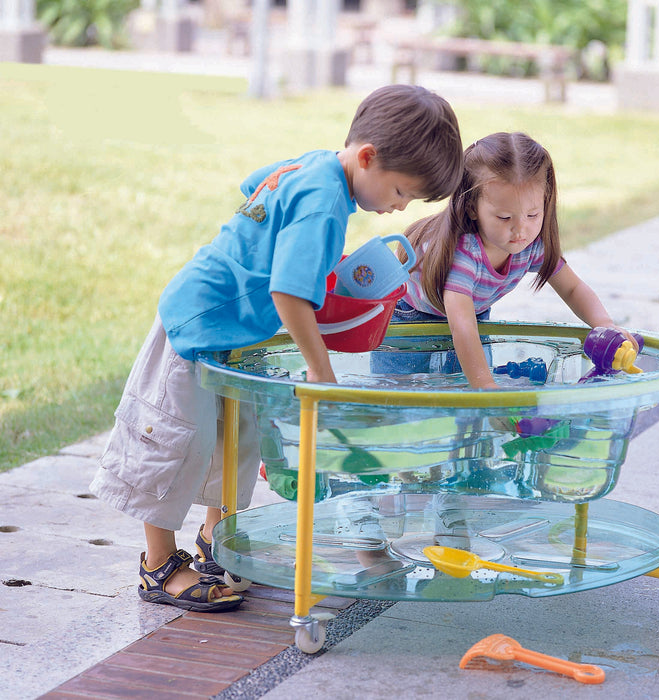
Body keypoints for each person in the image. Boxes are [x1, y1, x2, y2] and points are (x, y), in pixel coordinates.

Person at [89, 85, 464, 612]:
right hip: (194, 329)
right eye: (402, 191)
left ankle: (218, 545)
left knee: (236, 442)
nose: (400, 206)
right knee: (179, 448)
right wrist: (319, 367)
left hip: (232, 334)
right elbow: (288, 291)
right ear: (368, 158)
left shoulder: (315, 167)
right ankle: (158, 566)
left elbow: (254, 186)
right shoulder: (327, 204)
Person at [374, 131, 636, 388]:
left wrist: (605, 324)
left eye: (533, 215)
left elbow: (572, 288)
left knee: (464, 390)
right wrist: (486, 386)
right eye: (504, 218)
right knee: (397, 391)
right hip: (410, 316)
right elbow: (462, 328)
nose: (520, 230)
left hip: (472, 314)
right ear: (471, 208)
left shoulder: (532, 246)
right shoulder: (464, 254)